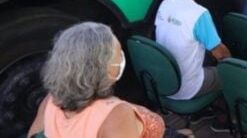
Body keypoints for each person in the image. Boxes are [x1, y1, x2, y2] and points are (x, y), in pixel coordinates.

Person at [27, 22, 186, 138]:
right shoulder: (115, 116)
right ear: (105, 69)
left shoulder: (51, 100)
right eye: (118, 55)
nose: (122, 59)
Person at [155, 0, 231, 132]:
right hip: (188, 87)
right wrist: (232, 63)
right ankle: (222, 120)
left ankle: (200, 112)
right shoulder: (199, 14)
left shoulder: (164, 5)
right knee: (228, 74)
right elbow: (220, 53)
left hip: (166, 82)